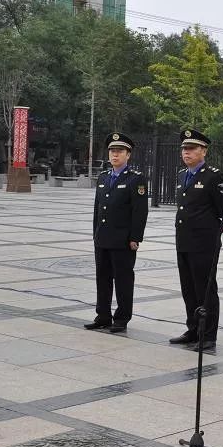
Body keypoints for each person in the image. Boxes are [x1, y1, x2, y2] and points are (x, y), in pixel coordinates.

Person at [169, 129, 223, 352]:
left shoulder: (213, 176)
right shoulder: (182, 175)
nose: (187, 152)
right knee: (188, 288)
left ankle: (208, 335)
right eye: (184, 148)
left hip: (204, 243)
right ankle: (192, 328)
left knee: (205, 289)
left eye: (192, 148)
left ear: (203, 151)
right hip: (184, 241)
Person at [85, 133, 148, 333]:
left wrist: (135, 238)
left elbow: (140, 212)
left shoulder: (135, 179)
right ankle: (102, 315)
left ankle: (121, 318)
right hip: (103, 238)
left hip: (123, 241)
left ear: (128, 155)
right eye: (112, 151)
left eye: (119, 151)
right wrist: (95, 234)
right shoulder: (104, 177)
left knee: (123, 280)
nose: (115, 155)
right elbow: (98, 208)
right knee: (102, 279)